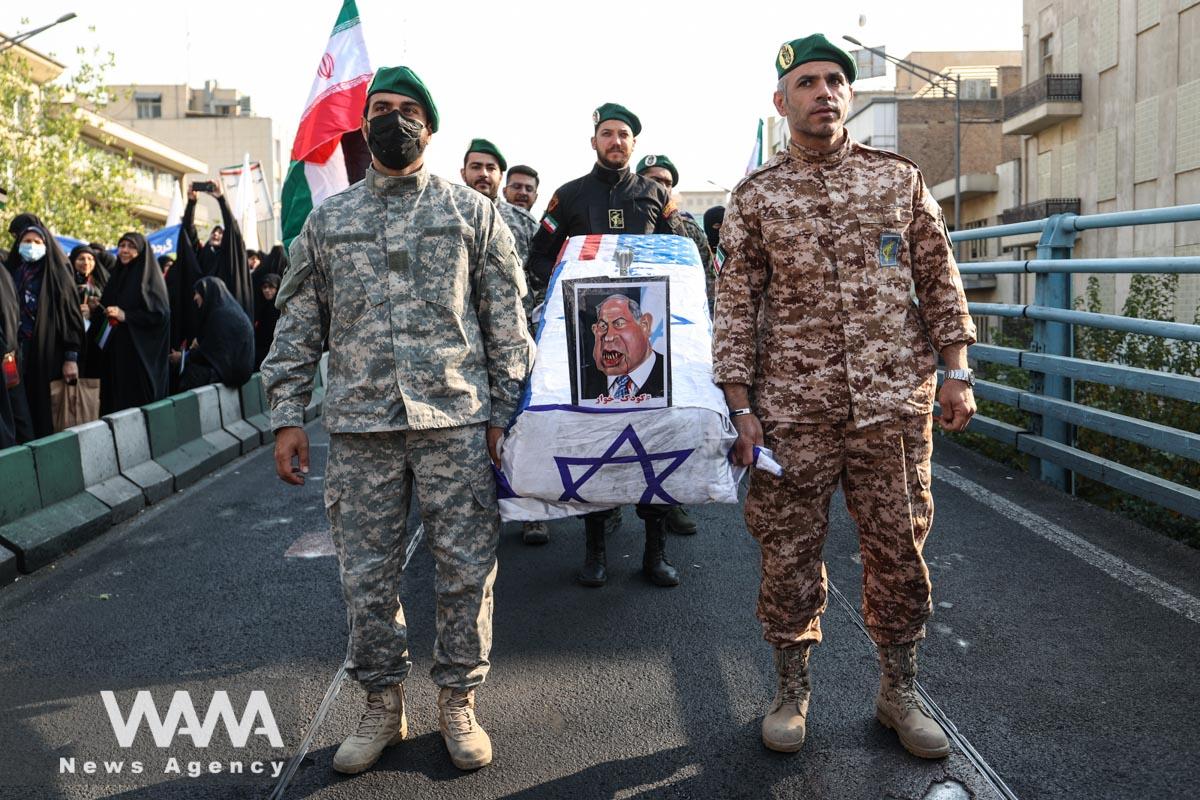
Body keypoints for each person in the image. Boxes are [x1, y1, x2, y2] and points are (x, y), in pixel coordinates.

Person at [712, 34, 977, 760]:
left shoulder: (898, 180)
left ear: (848, 96)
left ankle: (899, 692)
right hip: (792, 409)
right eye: (806, 82)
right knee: (790, 551)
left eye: (834, 81)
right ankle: (791, 691)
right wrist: (740, 407)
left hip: (893, 402)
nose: (822, 92)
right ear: (781, 100)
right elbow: (735, 306)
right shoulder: (757, 197)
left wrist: (957, 371)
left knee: (899, 547)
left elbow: (939, 279)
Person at [263, 65, 533, 776]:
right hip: (360, 427)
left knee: (465, 572)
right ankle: (382, 704)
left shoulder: (474, 215)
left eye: (407, 110)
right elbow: (297, 323)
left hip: (455, 422)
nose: (393, 119)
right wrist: (288, 413)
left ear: (429, 126)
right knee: (367, 578)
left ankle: (457, 701)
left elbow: (506, 324)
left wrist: (507, 413)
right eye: (380, 108)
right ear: (362, 123)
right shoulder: (330, 221)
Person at [527, 102, 694, 585]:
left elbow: (682, 258)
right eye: (607, 134)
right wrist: (567, 295)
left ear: (633, 143)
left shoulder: (656, 195)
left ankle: (655, 552)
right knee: (597, 442)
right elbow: (540, 257)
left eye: (623, 134)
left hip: (650, 341)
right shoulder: (569, 195)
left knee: (654, 439)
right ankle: (595, 550)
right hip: (589, 345)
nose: (615, 141)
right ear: (594, 141)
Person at [461, 138, 547, 545]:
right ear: (463, 172)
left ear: (501, 177)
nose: (482, 174)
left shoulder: (525, 225)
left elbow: (544, 278)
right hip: (462, 347)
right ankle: (477, 513)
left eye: (490, 168)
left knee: (520, 426)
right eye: (475, 166)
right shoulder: (449, 217)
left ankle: (531, 510)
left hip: (514, 346)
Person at [3, 221, 84, 441]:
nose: (31, 246)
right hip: (15, 351)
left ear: (46, 245)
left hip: (47, 353)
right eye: (27, 241)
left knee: (44, 408)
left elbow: (70, 319)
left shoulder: (57, 276)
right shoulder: (12, 273)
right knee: (19, 406)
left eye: (37, 242)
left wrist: (71, 357)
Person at [97, 232, 170, 414]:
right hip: (115, 353)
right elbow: (109, 304)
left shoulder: (150, 279)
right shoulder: (117, 275)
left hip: (138, 356)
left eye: (131, 247)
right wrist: (97, 307)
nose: (125, 251)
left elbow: (159, 315)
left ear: (141, 251)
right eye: (122, 246)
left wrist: (126, 316)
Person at [635, 154, 716, 305]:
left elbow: (708, 281)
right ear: (638, 184)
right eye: (656, 181)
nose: (663, 188)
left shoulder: (688, 229)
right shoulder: (625, 225)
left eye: (668, 183)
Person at [178, 182, 255, 321]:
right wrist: (191, 203)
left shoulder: (230, 257)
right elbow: (188, 235)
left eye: (221, 233)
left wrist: (221, 199)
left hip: (225, 316)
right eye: (214, 232)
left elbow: (232, 227)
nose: (216, 235)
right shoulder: (203, 254)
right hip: (202, 316)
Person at [170, 276, 255, 391]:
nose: (195, 298)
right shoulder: (228, 310)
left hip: (233, 375)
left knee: (190, 374)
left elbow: (208, 355)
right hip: (240, 373)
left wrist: (183, 357)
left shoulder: (220, 315)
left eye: (197, 293)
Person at [581, 294, 665, 401]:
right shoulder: (583, 379)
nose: (609, 337)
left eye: (619, 324)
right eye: (603, 326)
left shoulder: (670, 375)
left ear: (645, 326)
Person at [72, 245, 108, 384]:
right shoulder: (65, 281)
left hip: (94, 341)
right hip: (71, 339)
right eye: (81, 259)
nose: (86, 263)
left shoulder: (102, 282)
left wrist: (95, 310)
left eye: (90, 258)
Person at [253, 273, 281, 369]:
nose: (267, 290)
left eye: (271, 287)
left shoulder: (281, 309)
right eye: (264, 287)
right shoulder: (260, 307)